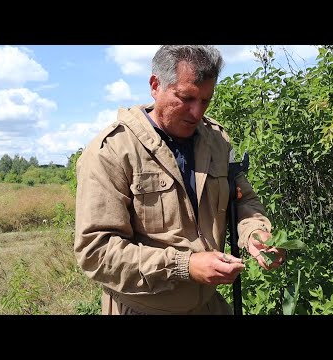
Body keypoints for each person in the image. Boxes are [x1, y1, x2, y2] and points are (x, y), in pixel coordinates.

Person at [74, 45, 286, 315]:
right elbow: (97, 252)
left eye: (206, 101)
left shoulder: (217, 141)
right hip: (143, 309)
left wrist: (254, 233)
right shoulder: (112, 151)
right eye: (186, 98)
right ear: (155, 85)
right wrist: (184, 266)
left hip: (209, 306)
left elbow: (243, 200)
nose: (197, 113)